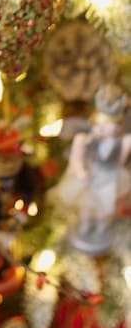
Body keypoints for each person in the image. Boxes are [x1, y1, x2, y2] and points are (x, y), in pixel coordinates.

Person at [54, 82, 131, 255]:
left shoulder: (122, 142)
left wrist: (116, 171)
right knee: (87, 206)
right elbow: (76, 157)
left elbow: (119, 161)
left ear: (117, 128)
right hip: (91, 176)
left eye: (106, 128)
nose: (100, 131)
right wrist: (81, 170)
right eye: (98, 127)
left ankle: (101, 229)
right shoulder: (85, 139)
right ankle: (85, 226)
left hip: (108, 178)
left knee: (105, 207)